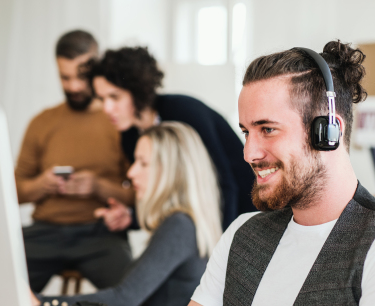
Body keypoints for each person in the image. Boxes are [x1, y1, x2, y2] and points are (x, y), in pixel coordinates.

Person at [117, 41, 375, 306]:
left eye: (267, 129)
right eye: (246, 132)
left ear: (328, 132)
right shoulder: (243, 234)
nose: (249, 153)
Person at [32, 122, 223, 306]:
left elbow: (122, 300)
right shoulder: (182, 223)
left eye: (142, 163)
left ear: (170, 171)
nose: (131, 173)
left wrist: (40, 304)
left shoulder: (179, 225)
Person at [15, 30, 134, 292]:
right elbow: (13, 192)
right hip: (44, 232)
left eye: (81, 76)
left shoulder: (117, 121)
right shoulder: (41, 123)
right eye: (65, 77)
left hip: (99, 233)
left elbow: (139, 193)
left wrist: (97, 186)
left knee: (134, 294)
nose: (74, 86)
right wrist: (42, 185)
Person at [90, 46, 255, 230]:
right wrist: (130, 217)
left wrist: (226, 246)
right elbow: (160, 197)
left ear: (137, 90)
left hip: (246, 211)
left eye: (114, 97)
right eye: (102, 99)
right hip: (196, 224)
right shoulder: (129, 136)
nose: (106, 108)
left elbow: (227, 185)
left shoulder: (184, 112)